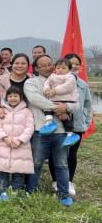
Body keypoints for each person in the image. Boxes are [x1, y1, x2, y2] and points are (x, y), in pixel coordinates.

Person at [24, 54, 78, 206]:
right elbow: (36, 100)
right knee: (36, 162)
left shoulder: (67, 80)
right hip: (40, 129)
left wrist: (66, 107)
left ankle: (64, 195)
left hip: (60, 130)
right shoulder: (31, 82)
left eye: (49, 64)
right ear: (36, 68)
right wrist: (58, 108)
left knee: (61, 163)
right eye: (43, 65)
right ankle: (30, 191)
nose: (47, 67)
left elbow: (76, 103)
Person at [0, 87, 35, 201]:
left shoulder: (26, 112)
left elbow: (30, 127)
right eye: (10, 96)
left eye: (16, 96)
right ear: (6, 98)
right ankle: (3, 191)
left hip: (21, 146)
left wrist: (20, 140)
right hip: (3, 145)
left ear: (21, 97)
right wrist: (5, 138)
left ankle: (16, 191)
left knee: (19, 171)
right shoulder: (2, 111)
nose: (13, 98)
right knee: (2, 170)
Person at [60, 53, 93, 196]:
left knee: (72, 154)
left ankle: (68, 181)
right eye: (71, 63)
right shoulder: (56, 82)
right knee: (58, 154)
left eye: (77, 64)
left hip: (77, 125)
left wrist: (85, 121)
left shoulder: (83, 84)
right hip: (59, 125)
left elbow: (88, 105)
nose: (74, 66)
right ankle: (56, 181)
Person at [41, 58, 80, 147]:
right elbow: (47, 83)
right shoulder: (52, 76)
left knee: (65, 117)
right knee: (47, 107)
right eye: (58, 68)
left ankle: (70, 134)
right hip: (54, 98)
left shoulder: (70, 77)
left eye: (63, 68)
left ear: (69, 69)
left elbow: (67, 87)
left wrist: (54, 91)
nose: (60, 70)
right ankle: (49, 122)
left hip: (66, 99)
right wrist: (46, 90)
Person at [0, 53, 31, 119]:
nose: (19, 66)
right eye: (16, 63)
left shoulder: (33, 80)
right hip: (6, 117)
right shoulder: (1, 80)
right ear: (12, 65)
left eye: (23, 63)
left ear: (28, 66)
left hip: (28, 118)